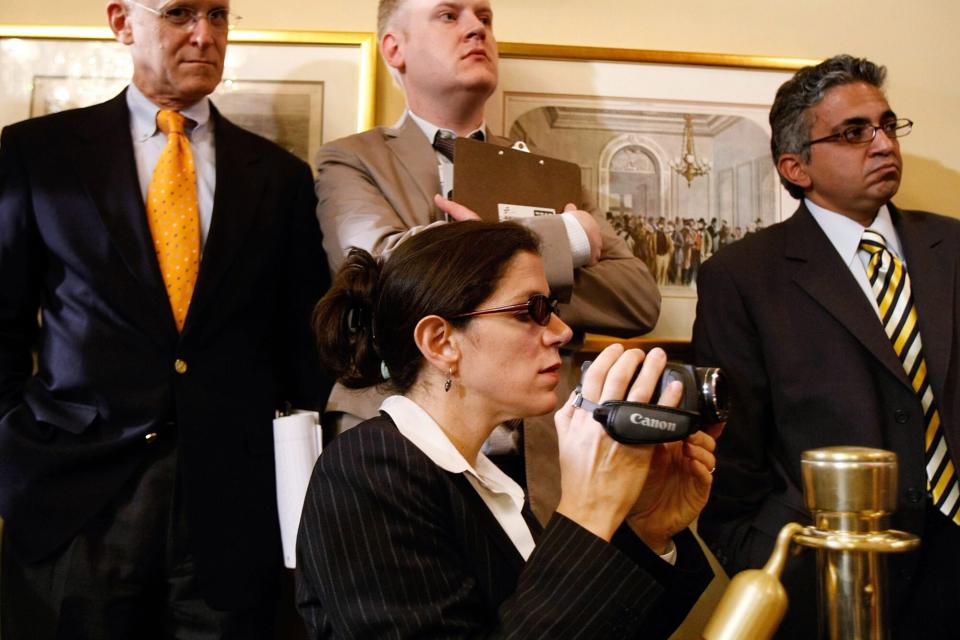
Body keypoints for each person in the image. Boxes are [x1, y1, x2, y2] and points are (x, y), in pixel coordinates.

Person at [0, 1, 330, 637]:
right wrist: (14, 450)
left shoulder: (281, 177)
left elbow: (303, 351)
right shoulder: (38, 153)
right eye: (180, 13)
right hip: (73, 501)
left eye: (218, 15)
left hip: (234, 512)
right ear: (123, 21)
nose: (205, 35)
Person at [314, 0, 660, 522]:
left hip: (543, 455)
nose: (477, 27)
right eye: (449, 15)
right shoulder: (352, 160)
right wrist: (569, 239)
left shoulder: (544, 168)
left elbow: (637, 295)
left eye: (484, 17)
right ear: (395, 48)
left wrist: (482, 273)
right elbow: (390, 273)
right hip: (402, 441)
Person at [297, 220, 717, 638]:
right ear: (441, 342)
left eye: (551, 310)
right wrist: (588, 510)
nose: (562, 331)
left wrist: (646, 529)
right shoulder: (367, 470)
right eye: (531, 311)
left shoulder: (487, 481)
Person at [693, 54, 960, 638]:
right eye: (854, 133)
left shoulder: (954, 246)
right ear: (797, 167)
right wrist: (772, 566)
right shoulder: (742, 276)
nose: (884, 144)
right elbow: (730, 460)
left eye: (888, 125)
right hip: (827, 576)